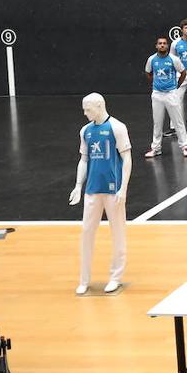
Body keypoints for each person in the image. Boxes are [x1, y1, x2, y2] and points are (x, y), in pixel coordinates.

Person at [69, 93, 132, 295]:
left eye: (88, 109)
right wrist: (78, 185)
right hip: (92, 190)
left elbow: (127, 158)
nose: (85, 113)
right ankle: (84, 279)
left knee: (118, 233)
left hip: (113, 190)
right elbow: (84, 160)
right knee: (86, 233)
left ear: (99, 105)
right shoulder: (85, 131)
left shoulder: (117, 127)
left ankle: (116, 277)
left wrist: (123, 188)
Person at [145, 36, 187, 158]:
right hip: (157, 95)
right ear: (156, 46)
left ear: (167, 46)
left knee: (178, 121)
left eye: (164, 43)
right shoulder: (152, 59)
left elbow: (183, 72)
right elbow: (148, 73)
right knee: (157, 123)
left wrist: (176, 86)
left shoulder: (174, 59)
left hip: (171, 94)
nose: (162, 45)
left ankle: (185, 146)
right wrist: (156, 84)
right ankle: (156, 148)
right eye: (160, 43)